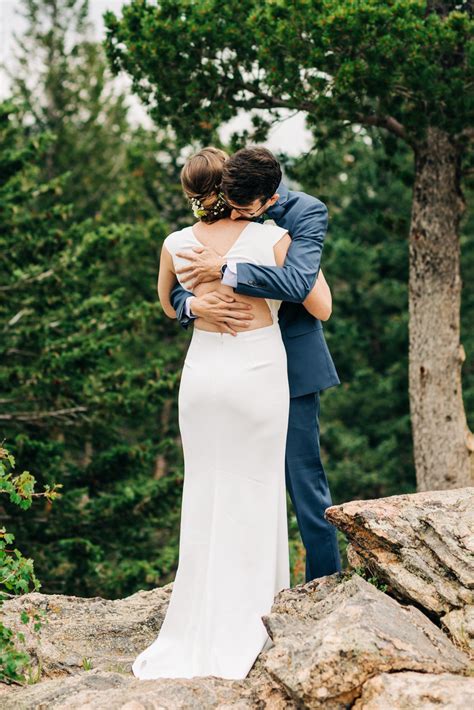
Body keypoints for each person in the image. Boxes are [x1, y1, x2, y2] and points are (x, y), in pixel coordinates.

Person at [132, 147, 333, 680]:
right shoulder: (270, 238)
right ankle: (259, 610)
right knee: (262, 486)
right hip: (258, 370)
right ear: (232, 192)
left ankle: (200, 614)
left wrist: (208, 288)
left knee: (206, 486)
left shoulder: (177, 242)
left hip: (202, 375)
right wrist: (201, 299)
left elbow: (166, 297)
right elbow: (319, 302)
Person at [170, 146, 342, 583]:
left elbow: (314, 296)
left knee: (303, 481)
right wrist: (194, 305)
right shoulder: (214, 218)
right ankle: (233, 585)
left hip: (291, 359)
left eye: (244, 205)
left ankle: (324, 585)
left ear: (266, 198)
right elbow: (176, 289)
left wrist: (230, 265)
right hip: (228, 360)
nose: (235, 211)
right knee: (231, 478)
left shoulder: (302, 213)